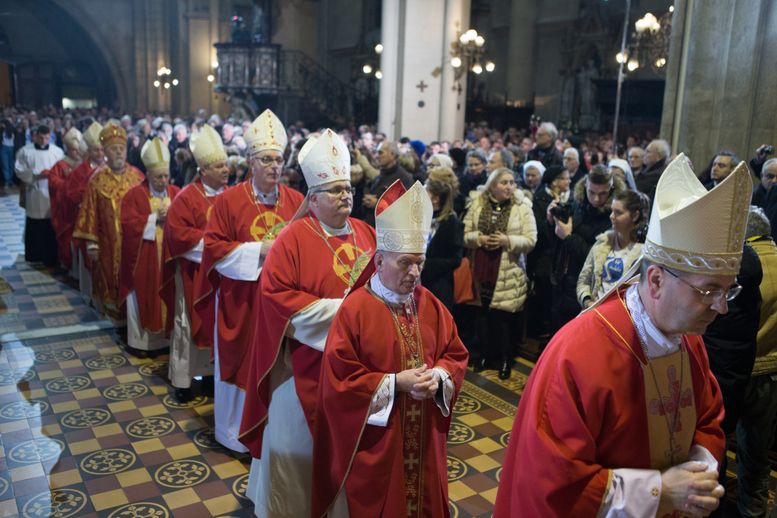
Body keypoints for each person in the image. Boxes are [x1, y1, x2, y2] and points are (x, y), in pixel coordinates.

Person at [495, 153, 751, 517]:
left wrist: (697, 471)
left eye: (729, 290)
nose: (722, 307)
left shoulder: (689, 339)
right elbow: (554, 479)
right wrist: (660, 492)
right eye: (709, 290)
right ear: (656, 281)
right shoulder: (579, 353)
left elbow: (708, 417)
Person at [310, 180, 469, 518]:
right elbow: (339, 382)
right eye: (405, 263)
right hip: (378, 445)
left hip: (425, 442)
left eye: (420, 262)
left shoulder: (431, 304)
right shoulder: (355, 310)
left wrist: (439, 377)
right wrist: (397, 383)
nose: (415, 273)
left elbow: (454, 354)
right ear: (380, 261)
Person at [238, 129, 376, 518]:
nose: (345, 196)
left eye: (348, 189)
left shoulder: (366, 234)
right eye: (335, 190)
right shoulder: (292, 239)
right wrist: (349, 311)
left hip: (356, 370)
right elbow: (277, 300)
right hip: (300, 368)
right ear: (313, 199)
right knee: (298, 456)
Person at [193, 109, 304, 452]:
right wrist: (260, 251)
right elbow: (214, 248)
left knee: (278, 367)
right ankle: (234, 436)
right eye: (267, 159)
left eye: (279, 159)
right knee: (241, 362)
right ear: (252, 163)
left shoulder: (296, 201)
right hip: (241, 302)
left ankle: (272, 434)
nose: (274, 166)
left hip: (280, 306)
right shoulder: (229, 201)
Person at [160, 125, 228, 403]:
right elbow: (177, 235)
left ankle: (210, 376)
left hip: (222, 275)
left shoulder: (231, 196)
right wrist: (216, 245)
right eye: (220, 166)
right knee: (187, 325)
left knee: (217, 326)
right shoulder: (186, 197)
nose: (226, 170)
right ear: (204, 169)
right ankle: (183, 381)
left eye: (226, 165)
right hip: (193, 272)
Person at [463, 168, 537, 379]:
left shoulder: (522, 207)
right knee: (483, 317)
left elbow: (531, 240)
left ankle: (505, 359)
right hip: (481, 268)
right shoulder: (478, 204)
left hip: (508, 270)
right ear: (493, 185)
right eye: (504, 182)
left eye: (512, 182)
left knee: (503, 320)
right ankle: (484, 355)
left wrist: (507, 241)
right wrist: (478, 239)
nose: (509, 186)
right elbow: (465, 233)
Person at [73, 123, 144, 321]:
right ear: (105, 153)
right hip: (107, 244)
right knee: (110, 278)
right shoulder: (96, 180)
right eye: (114, 149)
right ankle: (116, 316)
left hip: (134, 243)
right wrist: (92, 243)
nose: (119, 152)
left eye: (122, 148)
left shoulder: (137, 177)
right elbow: (89, 212)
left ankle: (133, 317)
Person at [119, 137, 180, 357]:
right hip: (145, 261)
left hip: (169, 259)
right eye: (158, 177)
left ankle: (167, 341)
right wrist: (153, 218)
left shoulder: (176, 192)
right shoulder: (135, 195)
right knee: (143, 298)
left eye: (166, 176)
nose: (163, 181)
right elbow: (128, 225)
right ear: (148, 175)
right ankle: (142, 345)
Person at [735, 207, 777, 517]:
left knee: (714, 442)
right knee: (758, 453)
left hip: (736, 369)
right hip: (772, 371)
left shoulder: (740, 265)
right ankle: (754, 510)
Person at [548, 165, 624, 331]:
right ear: (585, 187)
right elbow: (555, 241)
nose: (596, 199)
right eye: (592, 192)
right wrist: (552, 221)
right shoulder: (577, 202)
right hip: (563, 279)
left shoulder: (615, 215)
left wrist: (568, 237)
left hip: (588, 287)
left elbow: (597, 258)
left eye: (603, 193)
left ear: (611, 189)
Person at [577, 190, 649, 308]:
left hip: (621, 313)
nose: (611, 216)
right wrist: (588, 302)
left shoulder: (644, 253)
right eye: (612, 211)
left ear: (635, 216)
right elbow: (583, 281)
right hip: (594, 310)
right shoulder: (603, 242)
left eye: (618, 213)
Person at [15, 124, 64, 267]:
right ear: (35, 136)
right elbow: (19, 170)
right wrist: (34, 175)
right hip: (34, 192)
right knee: (35, 223)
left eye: (47, 138)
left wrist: (52, 175)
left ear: (50, 137)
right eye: (41, 138)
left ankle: (51, 256)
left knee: (50, 225)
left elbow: (62, 170)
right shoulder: (25, 151)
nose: (44, 141)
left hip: (51, 193)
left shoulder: (57, 152)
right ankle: (35, 256)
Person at [67, 122, 104, 304]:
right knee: (88, 257)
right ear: (89, 150)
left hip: (105, 222)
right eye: (96, 150)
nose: (100, 153)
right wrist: (87, 190)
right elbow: (71, 194)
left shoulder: (110, 168)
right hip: (87, 220)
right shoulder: (80, 170)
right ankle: (89, 294)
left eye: (102, 149)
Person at [421, 176, 463, 309]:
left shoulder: (451, 223)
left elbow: (455, 260)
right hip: (418, 282)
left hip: (438, 285)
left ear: (435, 199)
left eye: (424, 192)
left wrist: (426, 264)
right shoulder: (420, 217)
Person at [46, 127, 83, 274]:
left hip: (81, 209)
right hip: (66, 210)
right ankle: (67, 267)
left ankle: (78, 272)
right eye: (73, 150)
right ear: (67, 149)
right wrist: (68, 182)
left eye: (78, 150)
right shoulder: (60, 165)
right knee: (67, 239)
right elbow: (53, 181)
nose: (76, 153)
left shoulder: (84, 165)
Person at [361, 141, 413, 226]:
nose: (377, 156)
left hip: (388, 229)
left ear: (392, 154)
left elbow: (404, 209)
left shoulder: (404, 178)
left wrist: (377, 204)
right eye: (376, 152)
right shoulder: (381, 174)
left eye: (380, 153)